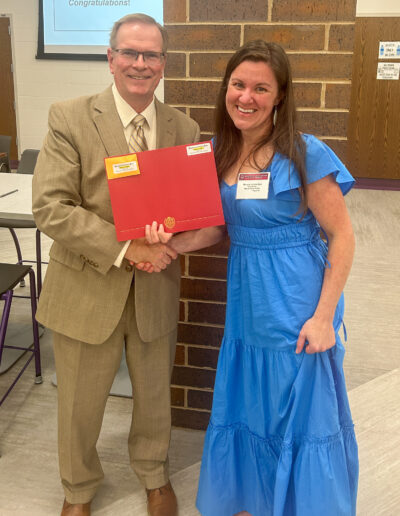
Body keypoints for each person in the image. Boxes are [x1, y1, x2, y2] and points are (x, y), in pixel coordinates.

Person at [142, 40, 359, 515]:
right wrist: (166, 245)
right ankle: (254, 499)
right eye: (238, 85)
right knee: (252, 400)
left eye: (261, 88)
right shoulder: (215, 153)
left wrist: (324, 318)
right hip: (248, 299)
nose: (246, 97)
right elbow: (219, 228)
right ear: (226, 89)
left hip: (297, 298)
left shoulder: (305, 153)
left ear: (280, 96)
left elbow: (342, 236)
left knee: (296, 405)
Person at [32, 13, 200, 516]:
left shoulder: (184, 128)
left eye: (151, 55)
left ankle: (154, 475)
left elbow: (190, 209)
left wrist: (172, 240)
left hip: (155, 286)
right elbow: (51, 207)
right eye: (129, 52)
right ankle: (78, 489)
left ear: (164, 64)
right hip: (88, 286)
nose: (140, 63)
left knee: (153, 397)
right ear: (110, 58)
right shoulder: (69, 117)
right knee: (79, 404)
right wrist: (128, 249)